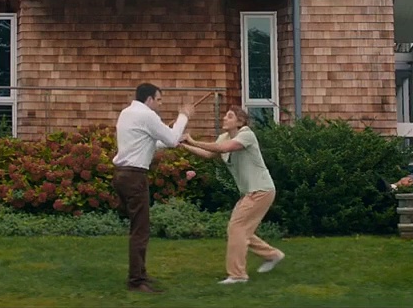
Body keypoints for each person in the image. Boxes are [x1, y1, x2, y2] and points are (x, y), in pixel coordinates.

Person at [181, 106, 285, 285]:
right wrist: (184, 145)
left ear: (240, 121)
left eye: (229, 116)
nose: (224, 118)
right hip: (251, 192)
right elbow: (209, 154)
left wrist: (192, 140)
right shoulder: (224, 137)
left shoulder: (246, 135)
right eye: (225, 115)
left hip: (261, 190)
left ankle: (238, 275)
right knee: (239, 229)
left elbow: (223, 148)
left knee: (237, 228)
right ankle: (272, 255)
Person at [111, 83, 194, 294]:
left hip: (121, 175)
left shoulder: (127, 113)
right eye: (159, 100)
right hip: (135, 177)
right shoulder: (147, 115)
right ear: (148, 99)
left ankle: (140, 273)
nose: (160, 104)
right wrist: (184, 116)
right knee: (140, 230)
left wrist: (174, 136)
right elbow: (171, 139)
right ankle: (136, 281)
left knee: (138, 228)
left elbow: (150, 142)